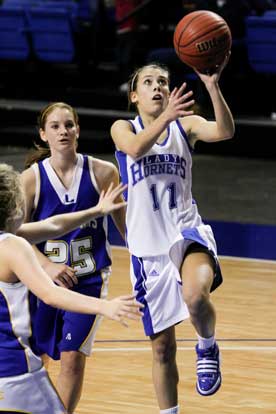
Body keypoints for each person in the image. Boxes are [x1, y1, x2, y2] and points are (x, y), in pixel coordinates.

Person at [110, 60, 235, 413]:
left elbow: (224, 131)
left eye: (163, 81)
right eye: (148, 82)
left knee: (195, 297)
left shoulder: (185, 125)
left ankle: (207, 344)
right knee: (162, 349)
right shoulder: (122, 128)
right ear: (135, 95)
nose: (157, 87)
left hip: (186, 232)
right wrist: (164, 119)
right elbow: (134, 149)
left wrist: (212, 86)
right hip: (147, 252)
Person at [0, 162, 143, 414]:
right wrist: (105, 306)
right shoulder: (13, 246)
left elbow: (54, 226)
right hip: (14, 369)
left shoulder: (15, 238)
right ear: (14, 209)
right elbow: (50, 293)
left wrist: (97, 211)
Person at [21, 101, 128, 413]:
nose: (63, 131)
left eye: (69, 124)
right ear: (43, 135)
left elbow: (129, 232)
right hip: (42, 283)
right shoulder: (31, 179)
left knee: (72, 360)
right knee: (35, 362)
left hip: (89, 281)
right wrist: (47, 266)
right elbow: (16, 238)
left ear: (78, 129)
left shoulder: (103, 173)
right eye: (55, 126)